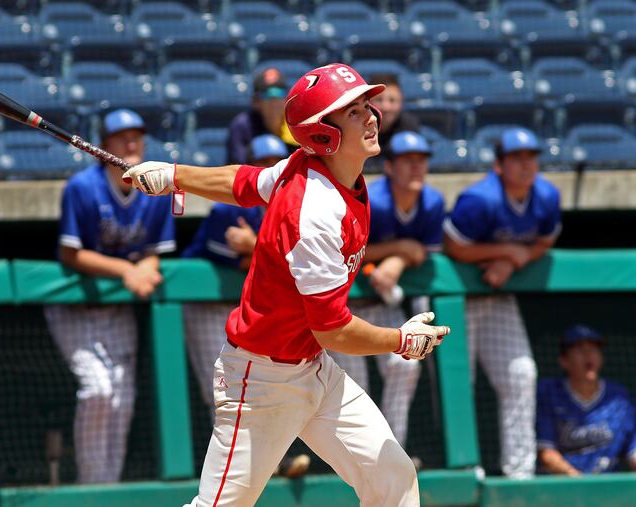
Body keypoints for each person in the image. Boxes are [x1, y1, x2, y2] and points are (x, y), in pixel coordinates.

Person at [125, 63, 450, 507]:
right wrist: (401, 341)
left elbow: (243, 181)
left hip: (313, 367)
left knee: (392, 478)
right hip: (261, 380)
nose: (372, 116)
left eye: (366, 105)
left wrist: (176, 175)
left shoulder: (312, 168)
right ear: (323, 134)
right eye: (353, 112)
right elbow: (333, 330)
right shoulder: (315, 209)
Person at [43, 109, 175, 484]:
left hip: (118, 311)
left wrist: (148, 265)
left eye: (136, 136)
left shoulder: (154, 191)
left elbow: (154, 251)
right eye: (121, 138)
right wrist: (129, 271)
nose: (131, 144)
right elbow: (71, 254)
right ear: (103, 147)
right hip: (75, 307)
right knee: (98, 390)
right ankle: (92, 484)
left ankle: (110, 484)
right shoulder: (82, 187)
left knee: (122, 399)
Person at [183, 133, 310, 478]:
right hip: (205, 302)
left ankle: (269, 462)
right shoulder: (227, 208)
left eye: (275, 162)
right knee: (223, 390)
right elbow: (262, 263)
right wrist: (259, 250)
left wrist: (253, 244)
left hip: (247, 307)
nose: (270, 168)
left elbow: (289, 260)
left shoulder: (293, 204)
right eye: (262, 162)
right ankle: (232, 471)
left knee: (268, 386)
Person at [443, 127, 562, 479]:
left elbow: (545, 240)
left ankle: (520, 472)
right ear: (499, 165)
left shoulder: (546, 196)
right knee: (456, 381)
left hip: (498, 298)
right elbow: (454, 247)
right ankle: (464, 468)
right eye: (516, 158)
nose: (526, 165)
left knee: (522, 374)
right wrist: (505, 250)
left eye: (531, 157)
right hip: (457, 298)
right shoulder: (480, 199)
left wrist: (514, 260)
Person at [346, 131, 445, 449]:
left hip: (379, 301)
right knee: (351, 385)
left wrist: (398, 258)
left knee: (405, 366)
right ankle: (352, 464)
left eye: (422, 160)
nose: (417, 167)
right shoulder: (371, 200)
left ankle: (392, 452)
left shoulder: (432, 201)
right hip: (341, 304)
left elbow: (424, 253)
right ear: (389, 167)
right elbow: (342, 249)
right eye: (407, 161)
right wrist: (396, 250)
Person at [537, 325, 636, 475]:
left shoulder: (618, 398)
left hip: (609, 488)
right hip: (563, 488)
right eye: (580, 349)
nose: (589, 355)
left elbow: (633, 451)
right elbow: (546, 453)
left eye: (594, 349)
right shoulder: (549, 393)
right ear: (564, 361)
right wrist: (579, 481)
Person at [226, 67, 298, 164]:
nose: (274, 99)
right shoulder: (242, 125)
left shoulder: (295, 125)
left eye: (280, 93)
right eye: (268, 94)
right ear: (255, 101)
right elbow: (237, 165)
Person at [365, 73, 421, 171]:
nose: (386, 107)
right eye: (379, 100)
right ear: (368, 102)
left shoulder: (410, 128)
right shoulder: (359, 126)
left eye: (392, 100)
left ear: (401, 103)